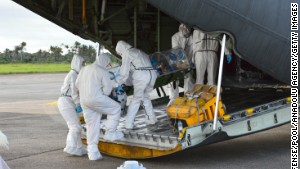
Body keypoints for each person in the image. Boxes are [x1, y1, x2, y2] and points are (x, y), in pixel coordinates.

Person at [75, 53, 124, 161]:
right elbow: (107, 91)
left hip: (84, 100)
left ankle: (93, 153)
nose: (107, 65)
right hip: (96, 98)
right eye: (107, 63)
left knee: (92, 124)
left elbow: (77, 84)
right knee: (115, 108)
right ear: (105, 62)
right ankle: (110, 133)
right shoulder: (102, 71)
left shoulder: (84, 69)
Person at [115, 40, 158, 130]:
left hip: (142, 75)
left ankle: (128, 124)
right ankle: (152, 119)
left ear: (121, 49)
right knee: (145, 97)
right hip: (152, 74)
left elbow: (124, 72)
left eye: (120, 53)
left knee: (136, 99)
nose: (121, 55)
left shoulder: (127, 53)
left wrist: (117, 82)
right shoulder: (138, 51)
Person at [57, 54, 87, 156]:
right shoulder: (73, 74)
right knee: (74, 126)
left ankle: (78, 148)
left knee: (77, 126)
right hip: (66, 101)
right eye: (82, 63)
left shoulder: (76, 74)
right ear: (77, 63)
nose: (84, 65)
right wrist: (78, 104)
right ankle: (70, 146)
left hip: (69, 101)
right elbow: (74, 92)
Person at [168, 24, 194, 104]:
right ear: (181, 30)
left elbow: (194, 49)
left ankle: (188, 96)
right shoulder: (175, 37)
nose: (187, 33)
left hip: (188, 63)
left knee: (188, 78)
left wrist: (192, 62)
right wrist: (182, 63)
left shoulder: (191, 37)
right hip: (177, 62)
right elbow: (177, 51)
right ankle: (173, 98)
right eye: (185, 30)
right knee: (174, 80)